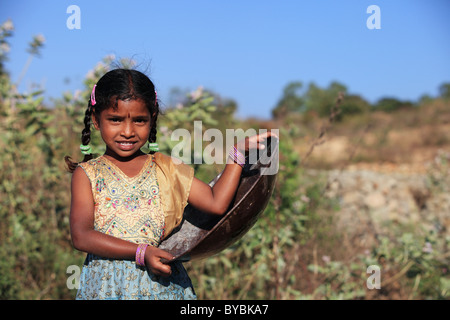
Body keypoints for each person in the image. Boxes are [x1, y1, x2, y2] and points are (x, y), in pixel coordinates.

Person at [65, 68, 276, 300]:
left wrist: (236, 156)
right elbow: (81, 236)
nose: (127, 131)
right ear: (96, 120)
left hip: (162, 289)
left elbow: (216, 203)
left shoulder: (166, 168)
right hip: (107, 288)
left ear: (152, 118)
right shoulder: (88, 174)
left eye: (139, 120)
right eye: (115, 120)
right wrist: (141, 253)